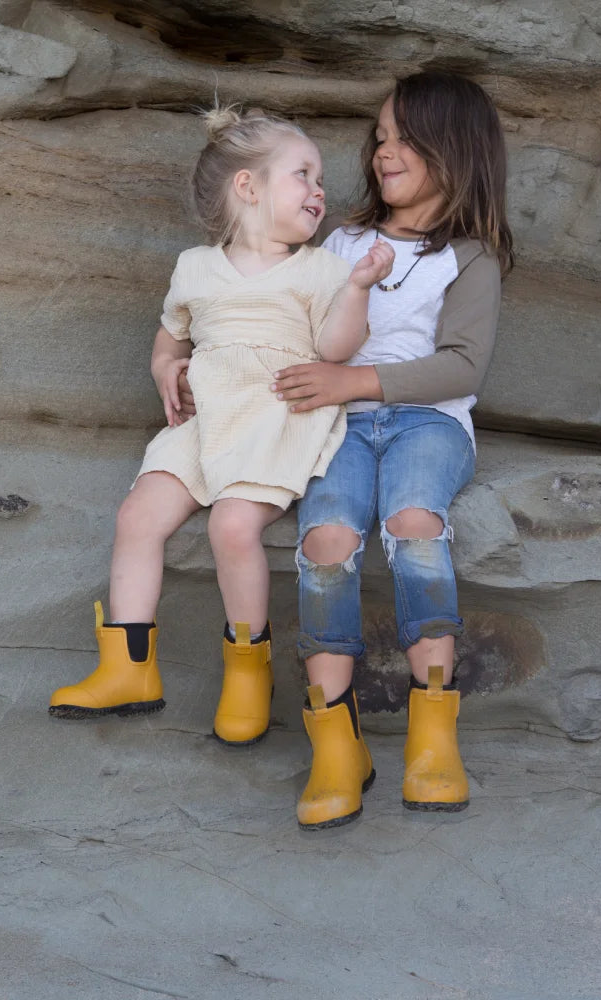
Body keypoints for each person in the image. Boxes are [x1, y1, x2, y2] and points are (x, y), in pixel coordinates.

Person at [49, 106, 394, 747]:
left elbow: (339, 347)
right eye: (303, 174)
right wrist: (163, 365)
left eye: (319, 179)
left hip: (275, 414)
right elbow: (171, 331)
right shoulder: (195, 267)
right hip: (206, 414)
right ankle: (128, 667)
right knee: (138, 516)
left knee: (232, 525)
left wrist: (359, 289)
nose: (320, 191)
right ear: (248, 187)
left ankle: (247, 668)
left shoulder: (320, 269)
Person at [270, 70, 514, 829]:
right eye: (379, 137)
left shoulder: (472, 255)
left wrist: (351, 379)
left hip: (428, 423)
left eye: (405, 137)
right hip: (337, 426)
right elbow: (278, 317)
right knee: (328, 537)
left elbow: (461, 366)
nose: (385, 151)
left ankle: (433, 735)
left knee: (412, 521)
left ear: (456, 149)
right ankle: (336, 744)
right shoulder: (340, 241)